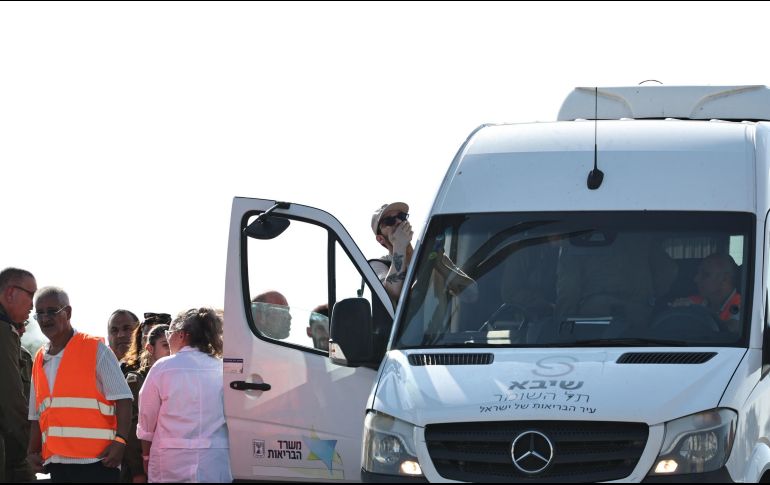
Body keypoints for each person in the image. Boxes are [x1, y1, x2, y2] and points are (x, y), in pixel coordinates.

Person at [27, 287, 133, 483]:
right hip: (56, 463)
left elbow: (124, 398)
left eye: (52, 311)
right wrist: (32, 451)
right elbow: (36, 415)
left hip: (98, 462)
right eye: (39, 313)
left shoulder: (95, 349)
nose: (45, 318)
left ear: (67, 313)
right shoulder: (39, 358)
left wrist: (120, 441)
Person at [137, 308, 232, 483]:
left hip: (169, 463)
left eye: (169, 333)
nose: (167, 338)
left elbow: (146, 421)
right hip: (214, 462)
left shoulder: (162, 368)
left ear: (181, 335)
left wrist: (145, 456)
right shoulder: (223, 369)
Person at [371, 202, 477, 305]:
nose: (398, 221)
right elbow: (393, 291)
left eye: (402, 216)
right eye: (389, 221)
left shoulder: (429, 253)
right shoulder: (378, 265)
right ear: (380, 239)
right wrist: (399, 245)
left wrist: (437, 263)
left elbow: (472, 294)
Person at [0, 267, 37, 482]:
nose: (33, 305)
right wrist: (30, 450)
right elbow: (11, 400)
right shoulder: (3, 331)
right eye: (30, 294)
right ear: (10, 293)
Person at [122, 324, 169, 484]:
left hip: (169, 465)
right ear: (150, 348)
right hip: (142, 467)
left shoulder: (178, 377)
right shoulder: (136, 380)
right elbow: (131, 427)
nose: (170, 351)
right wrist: (137, 471)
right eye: (165, 345)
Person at [670, 253, 741, 332]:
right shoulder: (693, 301)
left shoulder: (743, 306)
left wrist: (699, 312)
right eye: (698, 273)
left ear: (724, 280)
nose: (696, 279)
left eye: (705, 275)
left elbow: (732, 330)